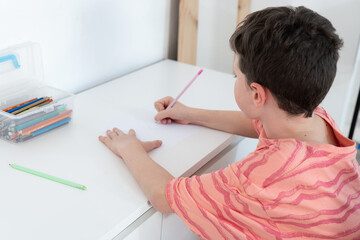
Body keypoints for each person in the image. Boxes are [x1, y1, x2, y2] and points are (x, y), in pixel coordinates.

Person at [99, 6, 360, 239]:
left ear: (257, 94)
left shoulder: (258, 177)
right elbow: (256, 123)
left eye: (237, 75)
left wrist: (129, 149)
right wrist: (190, 114)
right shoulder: (317, 119)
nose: (235, 80)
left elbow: (163, 196)